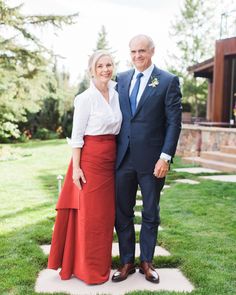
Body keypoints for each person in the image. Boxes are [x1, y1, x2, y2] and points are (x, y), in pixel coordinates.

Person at [48, 50, 122, 285]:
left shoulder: (116, 93)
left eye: (109, 65)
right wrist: (77, 169)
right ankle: (87, 269)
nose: (105, 70)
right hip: (90, 162)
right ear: (92, 69)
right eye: (100, 66)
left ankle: (101, 264)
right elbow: (77, 137)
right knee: (90, 218)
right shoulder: (85, 98)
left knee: (105, 217)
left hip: (112, 161)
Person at [112, 35, 182, 284]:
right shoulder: (120, 79)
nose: (137, 56)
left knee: (151, 212)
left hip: (153, 161)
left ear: (152, 51)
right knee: (123, 213)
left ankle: (147, 262)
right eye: (133, 51)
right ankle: (127, 261)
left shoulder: (167, 81)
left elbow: (174, 123)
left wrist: (165, 157)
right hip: (122, 160)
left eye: (142, 51)